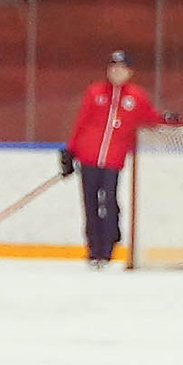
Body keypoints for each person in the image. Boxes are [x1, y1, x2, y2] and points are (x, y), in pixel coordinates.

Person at [60, 51, 174, 268]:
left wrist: (166, 118)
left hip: (113, 160)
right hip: (89, 158)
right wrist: (71, 151)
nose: (116, 72)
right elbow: (82, 122)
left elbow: (150, 116)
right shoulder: (95, 92)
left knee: (109, 202)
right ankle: (94, 250)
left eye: (121, 68)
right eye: (113, 68)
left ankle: (109, 243)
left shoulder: (136, 97)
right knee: (91, 204)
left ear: (129, 72)